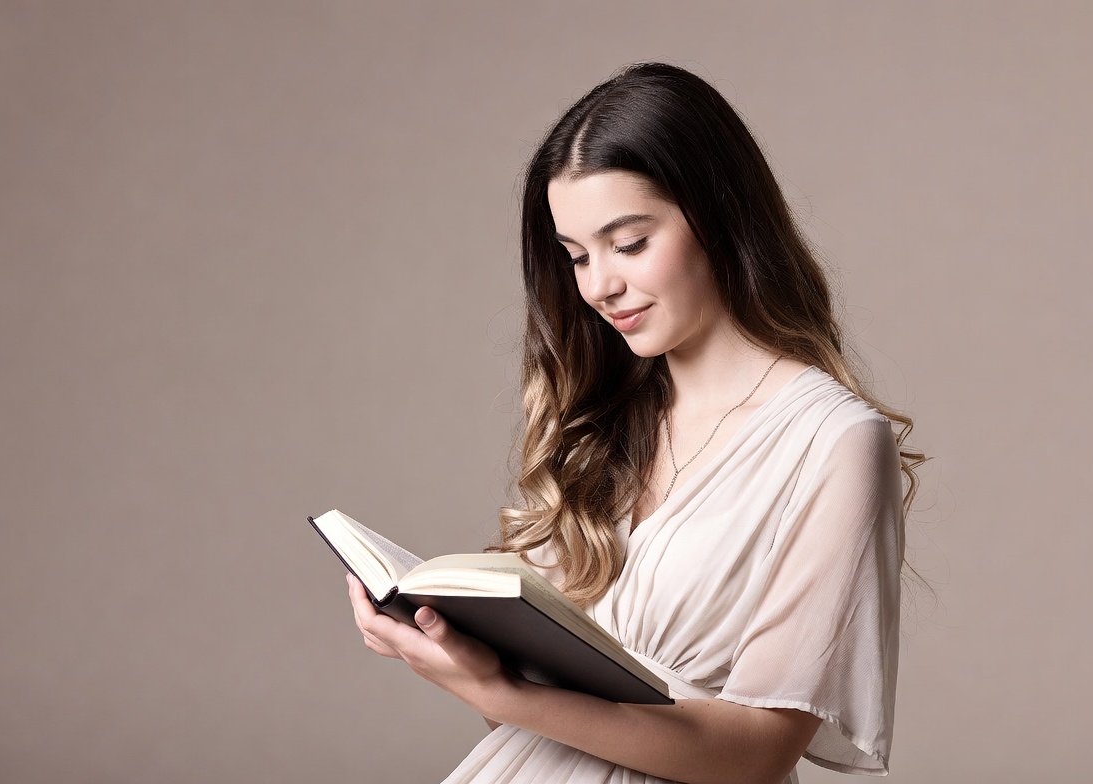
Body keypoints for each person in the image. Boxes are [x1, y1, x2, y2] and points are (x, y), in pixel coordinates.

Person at [348, 62, 922, 784]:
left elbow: (756, 753)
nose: (598, 286)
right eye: (577, 256)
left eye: (628, 243)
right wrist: (464, 661)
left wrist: (495, 689)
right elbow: (553, 717)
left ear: (718, 215)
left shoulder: (832, 442)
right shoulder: (602, 423)